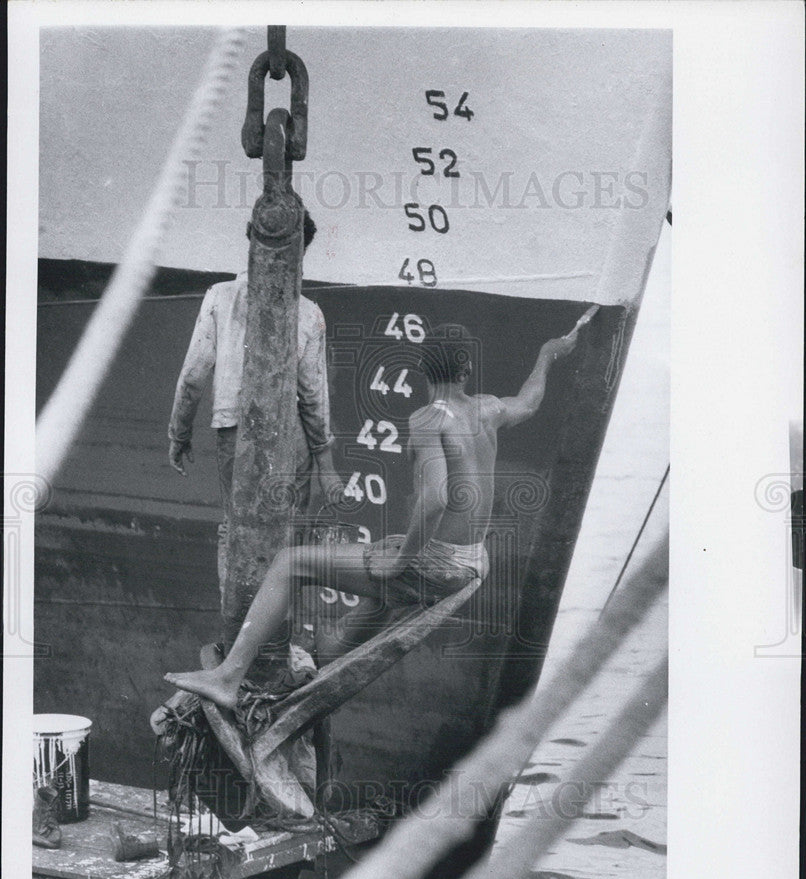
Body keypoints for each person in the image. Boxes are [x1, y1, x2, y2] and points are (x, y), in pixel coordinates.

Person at [165, 307, 597, 710]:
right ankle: (321, 667)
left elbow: (435, 500)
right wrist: (547, 355)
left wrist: (403, 559)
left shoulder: (429, 419)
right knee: (379, 587)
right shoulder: (488, 408)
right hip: (472, 561)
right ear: (466, 369)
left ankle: (227, 677)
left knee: (289, 563)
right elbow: (531, 401)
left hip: (439, 565)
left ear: (424, 369)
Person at [167, 210, 344, 598]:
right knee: (289, 535)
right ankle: (274, 635)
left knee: (235, 526)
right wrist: (327, 468)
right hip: (292, 436)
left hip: (234, 428)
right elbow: (313, 398)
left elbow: (195, 375)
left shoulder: (219, 296)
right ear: (301, 253)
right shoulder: (309, 313)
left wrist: (179, 434)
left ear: (251, 239)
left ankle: (234, 633)